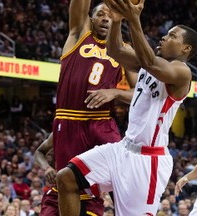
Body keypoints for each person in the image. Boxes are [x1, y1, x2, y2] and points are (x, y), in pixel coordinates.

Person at [56, 0, 197, 215]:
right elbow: (115, 52)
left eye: (172, 36)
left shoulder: (182, 73)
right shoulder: (147, 62)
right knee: (66, 178)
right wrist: (117, 21)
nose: (164, 37)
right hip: (122, 149)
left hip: (147, 161)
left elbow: (150, 62)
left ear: (185, 48)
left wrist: (134, 19)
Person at [37, 0, 136, 215]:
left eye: (110, 15)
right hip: (69, 120)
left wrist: (116, 92)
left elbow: (140, 95)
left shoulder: (124, 50)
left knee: (123, 179)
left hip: (102, 122)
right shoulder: (78, 34)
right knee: (68, 184)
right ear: (91, 18)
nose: (105, 18)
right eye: (101, 14)